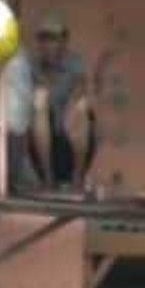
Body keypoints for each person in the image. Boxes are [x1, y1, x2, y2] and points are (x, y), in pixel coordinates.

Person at [28, 11, 97, 190]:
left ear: (64, 41)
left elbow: (81, 86)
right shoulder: (34, 66)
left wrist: (72, 105)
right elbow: (36, 98)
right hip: (44, 140)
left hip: (71, 136)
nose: (48, 44)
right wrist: (46, 78)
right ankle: (47, 178)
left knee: (81, 106)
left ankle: (78, 177)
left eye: (53, 39)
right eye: (44, 39)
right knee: (39, 102)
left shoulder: (74, 62)